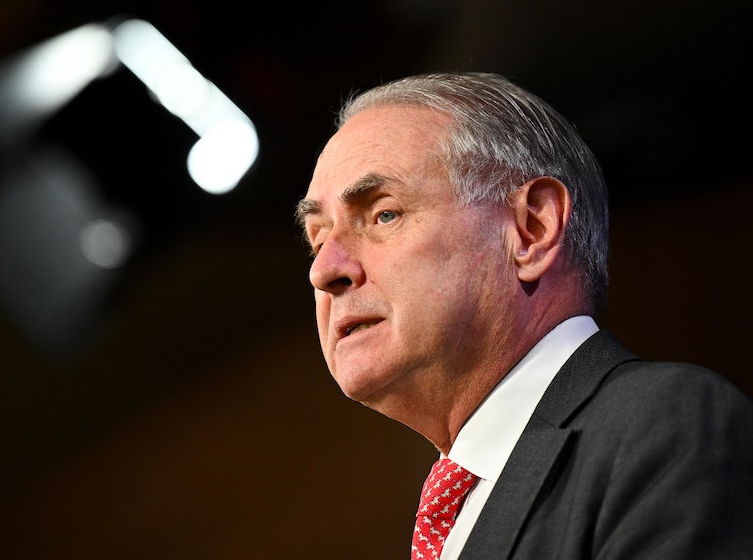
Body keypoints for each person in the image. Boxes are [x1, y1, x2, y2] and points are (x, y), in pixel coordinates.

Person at [295, 72, 753, 559]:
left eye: (384, 214)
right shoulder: (457, 514)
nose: (323, 271)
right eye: (318, 240)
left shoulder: (662, 426)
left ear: (531, 229)